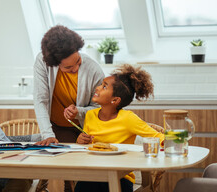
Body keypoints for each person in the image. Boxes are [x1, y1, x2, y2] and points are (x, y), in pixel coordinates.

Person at [70, 64, 165, 192]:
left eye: (104, 86)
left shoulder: (128, 118)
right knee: (83, 185)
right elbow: (86, 148)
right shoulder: (90, 115)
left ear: (115, 100)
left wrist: (174, 143)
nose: (97, 88)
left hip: (121, 177)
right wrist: (81, 141)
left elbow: (159, 137)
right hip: (94, 174)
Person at [34, 25, 105, 146]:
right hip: (55, 128)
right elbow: (41, 100)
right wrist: (48, 135)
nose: (76, 68)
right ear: (55, 64)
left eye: (78, 61)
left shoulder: (93, 69)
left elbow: (101, 108)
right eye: (68, 67)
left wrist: (79, 112)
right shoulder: (42, 61)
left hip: (85, 130)